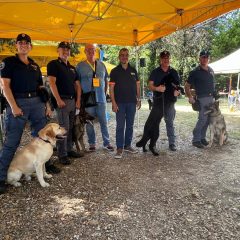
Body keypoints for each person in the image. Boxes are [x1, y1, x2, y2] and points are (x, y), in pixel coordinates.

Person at [0, 33, 58, 194]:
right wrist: (13, 106)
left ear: (30, 46)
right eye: (21, 42)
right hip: (19, 103)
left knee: (43, 137)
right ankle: (1, 177)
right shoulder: (9, 62)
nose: (24, 45)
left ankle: (45, 166)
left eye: (27, 43)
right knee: (11, 142)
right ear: (16, 46)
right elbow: (5, 86)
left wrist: (47, 105)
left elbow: (41, 88)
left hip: (37, 103)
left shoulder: (34, 65)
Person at [136, 50, 180, 156]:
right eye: (163, 58)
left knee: (170, 123)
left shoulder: (174, 72)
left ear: (169, 59)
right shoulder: (155, 72)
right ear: (160, 59)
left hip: (169, 103)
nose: (166, 60)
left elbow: (178, 87)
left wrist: (177, 92)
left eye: (167, 58)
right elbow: (150, 85)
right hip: (158, 102)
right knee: (154, 124)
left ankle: (172, 144)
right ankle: (151, 144)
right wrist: (157, 88)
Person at [47, 41, 83, 165]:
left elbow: (78, 86)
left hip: (73, 101)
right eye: (63, 49)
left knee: (71, 127)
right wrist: (57, 99)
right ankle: (62, 155)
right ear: (58, 50)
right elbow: (51, 83)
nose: (65, 51)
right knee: (63, 128)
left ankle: (69, 149)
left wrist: (78, 101)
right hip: (62, 101)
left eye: (67, 49)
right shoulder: (53, 64)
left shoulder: (72, 68)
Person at [76, 44, 114, 152]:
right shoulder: (80, 66)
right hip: (88, 99)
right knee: (89, 122)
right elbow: (77, 83)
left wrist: (104, 91)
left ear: (95, 51)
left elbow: (106, 79)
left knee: (103, 121)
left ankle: (107, 143)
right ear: (85, 51)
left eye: (92, 49)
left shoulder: (101, 65)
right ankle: (92, 144)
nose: (90, 51)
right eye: (88, 50)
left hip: (101, 98)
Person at [109, 48, 141, 159]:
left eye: (126, 55)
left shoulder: (133, 70)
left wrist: (139, 99)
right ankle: (119, 148)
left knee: (130, 126)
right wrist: (113, 103)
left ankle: (127, 145)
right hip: (120, 104)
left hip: (132, 102)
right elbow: (111, 88)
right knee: (120, 126)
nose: (124, 57)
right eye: (122, 55)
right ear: (119, 57)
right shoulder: (114, 71)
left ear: (128, 56)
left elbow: (137, 85)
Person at [185, 50, 215, 148]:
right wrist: (190, 97)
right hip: (202, 98)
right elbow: (187, 85)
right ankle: (196, 140)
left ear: (208, 59)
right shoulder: (195, 72)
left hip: (211, 98)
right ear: (199, 58)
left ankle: (202, 138)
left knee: (207, 120)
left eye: (206, 57)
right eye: (203, 57)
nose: (205, 59)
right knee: (202, 119)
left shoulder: (211, 70)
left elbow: (212, 84)